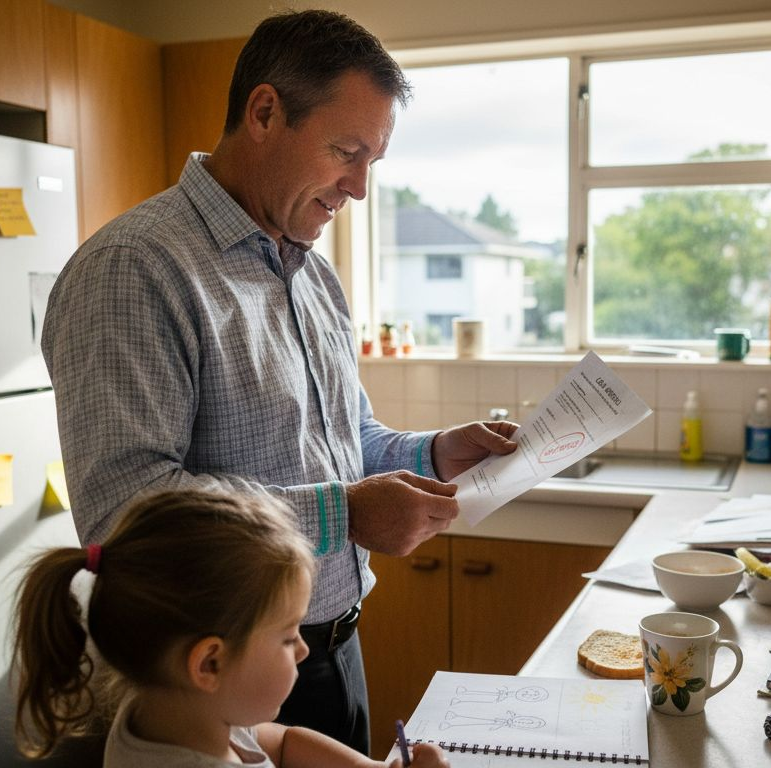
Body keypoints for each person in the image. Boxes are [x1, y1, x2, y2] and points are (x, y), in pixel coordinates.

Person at [40, 8, 518, 754]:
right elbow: (124, 515)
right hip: (206, 687)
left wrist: (432, 454)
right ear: (264, 112)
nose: (358, 187)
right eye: (346, 151)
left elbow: (344, 441)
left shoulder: (313, 274)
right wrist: (346, 516)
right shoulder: (135, 270)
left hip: (328, 652)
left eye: (372, 162)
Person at [11, 487, 449, 768]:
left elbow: (279, 742)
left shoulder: (179, 715)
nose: (301, 649)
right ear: (210, 662)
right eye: (287, 634)